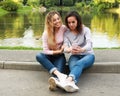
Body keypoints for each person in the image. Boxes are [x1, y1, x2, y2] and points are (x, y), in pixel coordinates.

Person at [62, 11, 95, 92]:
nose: (71, 24)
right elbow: (65, 48)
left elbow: (89, 44)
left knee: (79, 64)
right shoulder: (66, 33)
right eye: (69, 22)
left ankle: (68, 80)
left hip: (88, 55)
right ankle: (72, 83)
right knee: (73, 67)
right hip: (75, 56)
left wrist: (82, 49)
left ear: (78, 21)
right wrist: (70, 49)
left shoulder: (86, 30)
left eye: (73, 22)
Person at [36, 11, 68, 91]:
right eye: (54, 20)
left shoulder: (64, 28)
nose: (57, 21)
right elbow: (45, 51)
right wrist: (58, 51)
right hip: (49, 56)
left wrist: (64, 45)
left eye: (58, 18)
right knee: (39, 55)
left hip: (59, 57)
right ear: (49, 22)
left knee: (58, 76)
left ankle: (54, 83)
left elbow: (69, 37)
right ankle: (59, 75)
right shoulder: (46, 33)